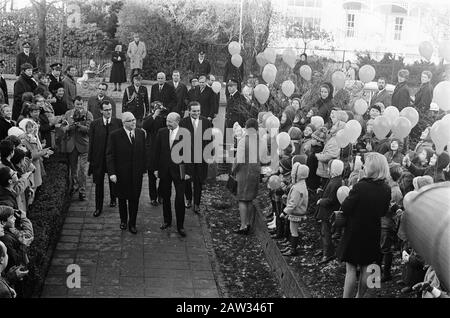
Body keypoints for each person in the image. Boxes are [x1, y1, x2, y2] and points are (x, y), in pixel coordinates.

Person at [337, 152, 391, 298]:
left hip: (355, 231)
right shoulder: (386, 188)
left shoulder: (360, 186)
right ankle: (360, 296)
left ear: (371, 168)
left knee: (351, 269)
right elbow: (383, 211)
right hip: (373, 231)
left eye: (366, 164)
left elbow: (346, 207)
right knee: (367, 266)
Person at [106, 112, 147, 234]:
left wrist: (143, 169)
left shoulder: (140, 133)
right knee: (122, 199)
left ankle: (132, 223)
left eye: (134, 119)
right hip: (121, 174)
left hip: (136, 175)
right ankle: (123, 220)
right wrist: (112, 173)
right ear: (124, 123)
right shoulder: (115, 135)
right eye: (130, 121)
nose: (133, 122)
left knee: (135, 199)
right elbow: (110, 155)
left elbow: (144, 152)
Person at [153, 112, 190, 237]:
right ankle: (167, 221)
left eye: (170, 121)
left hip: (179, 171)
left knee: (180, 198)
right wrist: (156, 169)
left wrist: (187, 172)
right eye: (167, 120)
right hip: (164, 170)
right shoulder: (161, 132)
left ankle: (180, 226)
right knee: (165, 196)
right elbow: (156, 151)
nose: (167, 123)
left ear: (177, 122)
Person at [88, 101, 122, 217]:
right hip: (99, 159)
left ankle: (113, 199)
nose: (109, 112)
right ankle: (98, 207)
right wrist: (91, 161)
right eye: (106, 110)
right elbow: (91, 143)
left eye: (110, 109)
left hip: (113, 159)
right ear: (101, 111)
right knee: (99, 184)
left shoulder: (118, 123)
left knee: (113, 181)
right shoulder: (94, 124)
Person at [231, 118, 264, 235]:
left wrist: (233, 170)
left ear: (246, 127)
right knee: (250, 199)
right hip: (255, 172)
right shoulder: (260, 140)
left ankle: (243, 225)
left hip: (244, 172)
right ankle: (249, 223)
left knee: (242, 199)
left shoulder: (243, 141)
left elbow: (238, 160)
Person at [180, 101, 213, 214]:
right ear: (189, 111)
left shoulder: (207, 122)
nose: (196, 113)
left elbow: (210, 141)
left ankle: (197, 204)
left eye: (198, 111)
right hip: (187, 157)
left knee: (199, 181)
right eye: (194, 111)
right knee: (186, 180)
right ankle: (188, 199)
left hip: (201, 157)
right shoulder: (183, 122)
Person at [62, 96, 93, 200]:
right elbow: (63, 126)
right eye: (77, 104)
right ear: (73, 104)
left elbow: (90, 129)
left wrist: (79, 126)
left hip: (83, 144)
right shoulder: (67, 114)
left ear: (83, 104)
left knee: (83, 169)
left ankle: (82, 190)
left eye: (80, 104)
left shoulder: (88, 114)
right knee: (73, 169)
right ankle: (75, 186)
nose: (79, 106)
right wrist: (67, 128)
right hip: (71, 145)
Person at [315, 159, 344, 263]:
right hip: (327, 211)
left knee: (326, 232)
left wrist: (321, 201)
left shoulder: (335, 182)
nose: (328, 169)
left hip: (328, 212)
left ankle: (328, 253)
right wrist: (322, 192)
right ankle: (324, 250)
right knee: (323, 232)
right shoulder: (335, 180)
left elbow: (331, 200)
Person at [280, 162, 309, 256]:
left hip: (296, 213)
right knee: (293, 230)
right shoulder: (302, 185)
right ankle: (291, 246)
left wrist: (284, 212)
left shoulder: (297, 188)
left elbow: (293, 203)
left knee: (293, 231)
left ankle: (293, 249)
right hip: (299, 211)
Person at [143, 102, 167, 206]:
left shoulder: (164, 118)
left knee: (163, 175)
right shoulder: (149, 118)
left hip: (162, 150)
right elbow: (145, 126)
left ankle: (161, 194)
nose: (158, 110)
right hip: (151, 150)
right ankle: (153, 197)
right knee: (151, 175)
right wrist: (154, 115)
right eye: (156, 108)